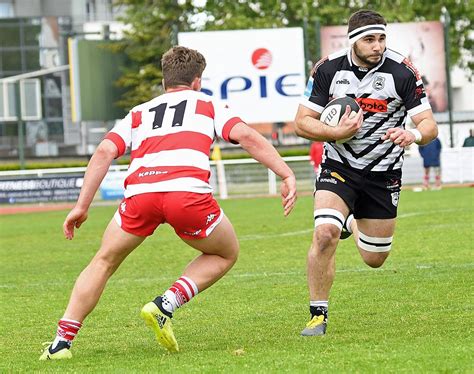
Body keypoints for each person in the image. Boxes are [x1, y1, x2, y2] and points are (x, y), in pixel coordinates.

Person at [40, 46, 297, 360]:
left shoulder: (139, 112)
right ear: (197, 82)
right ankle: (165, 304)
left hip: (140, 195)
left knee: (103, 262)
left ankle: (60, 344)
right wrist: (286, 174)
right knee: (225, 253)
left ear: (164, 81)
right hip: (185, 194)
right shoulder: (209, 104)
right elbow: (246, 136)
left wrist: (81, 206)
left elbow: (105, 152)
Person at [294, 10, 438, 336]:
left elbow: (429, 126)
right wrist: (334, 132)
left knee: (375, 258)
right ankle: (318, 315)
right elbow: (302, 121)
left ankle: (352, 221)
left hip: (383, 173)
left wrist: (412, 135)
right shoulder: (327, 69)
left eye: (382, 38)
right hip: (338, 166)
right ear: (353, 41)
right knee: (324, 233)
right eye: (369, 39)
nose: (377, 46)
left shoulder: (402, 71)